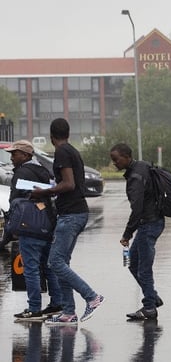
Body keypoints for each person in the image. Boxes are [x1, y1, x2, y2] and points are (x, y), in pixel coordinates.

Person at [31, 118, 104, 325]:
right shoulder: (71, 151)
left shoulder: (62, 152)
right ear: (68, 133)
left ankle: (92, 296)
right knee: (62, 262)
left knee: (55, 262)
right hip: (76, 213)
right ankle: (68, 312)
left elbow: (69, 184)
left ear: (51, 136)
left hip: (71, 214)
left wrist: (45, 192)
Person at [7, 140, 63, 321]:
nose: (12, 157)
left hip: (29, 226)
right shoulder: (43, 170)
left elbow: (15, 201)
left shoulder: (22, 173)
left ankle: (34, 309)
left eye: (15, 154)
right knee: (49, 266)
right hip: (47, 223)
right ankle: (56, 303)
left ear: (26, 156)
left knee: (30, 268)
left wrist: (12, 227)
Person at [110, 143, 165, 320]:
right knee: (133, 263)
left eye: (116, 159)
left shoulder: (135, 177)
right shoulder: (143, 165)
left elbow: (137, 209)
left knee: (143, 269)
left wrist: (127, 234)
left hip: (148, 224)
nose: (114, 163)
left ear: (126, 157)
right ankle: (152, 297)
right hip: (155, 220)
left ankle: (149, 307)